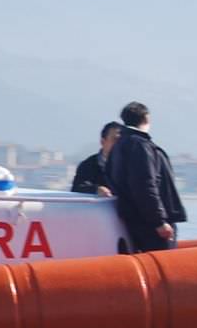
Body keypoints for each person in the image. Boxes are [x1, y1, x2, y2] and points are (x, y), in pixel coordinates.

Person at [106, 101, 187, 252]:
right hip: (149, 226)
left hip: (133, 220)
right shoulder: (140, 145)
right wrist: (159, 221)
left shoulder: (118, 146)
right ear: (146, 118)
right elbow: (145, 184)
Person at [72, 122, 123, 196]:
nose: (118, 144)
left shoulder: (129, 166)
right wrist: (96, 189)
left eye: (121, 140)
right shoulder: (88, 165)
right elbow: (77, 188)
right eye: (114, 140)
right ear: (103, 142)